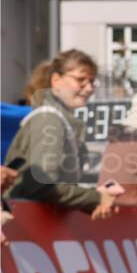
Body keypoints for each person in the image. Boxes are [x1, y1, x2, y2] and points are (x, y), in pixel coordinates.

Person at [4, 50, 117, 219]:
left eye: (92, 81)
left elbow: (55, 188)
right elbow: (41, 185)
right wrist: (97, 198)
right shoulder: (49, 120)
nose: (89, 88)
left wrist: (92, 204)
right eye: (81, 80)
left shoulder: (58, 120)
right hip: (23, 225)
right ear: (56, 80)